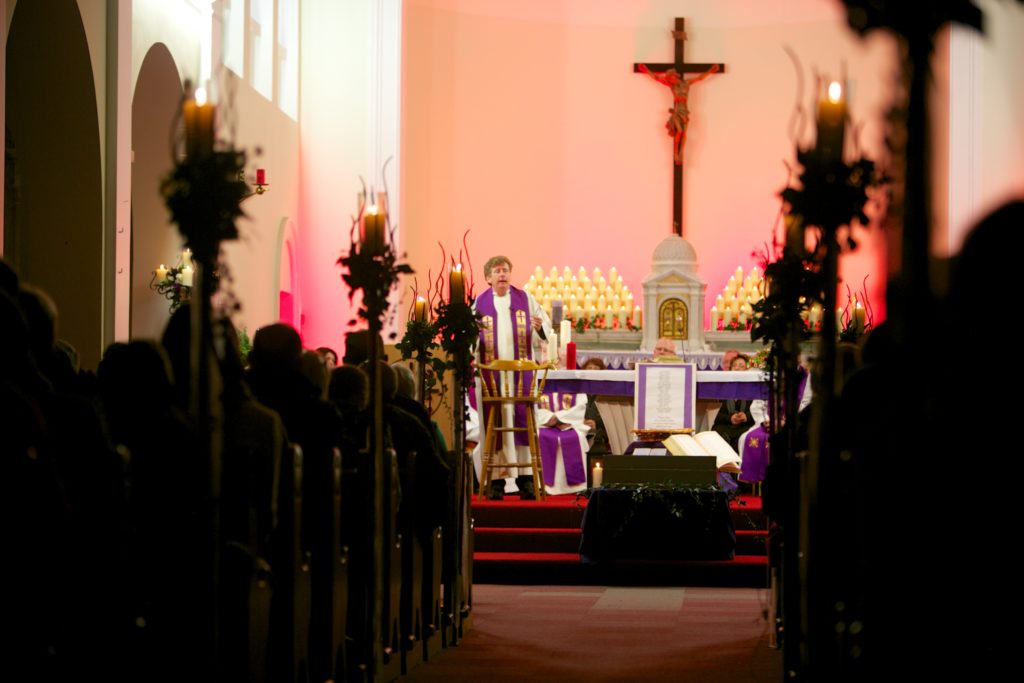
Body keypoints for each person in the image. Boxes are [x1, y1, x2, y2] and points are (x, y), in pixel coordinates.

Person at [472, 255, 552, 500]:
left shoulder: (525, 299)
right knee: (495, 426)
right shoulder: (479, 304)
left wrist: (538, 326)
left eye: (505, 270)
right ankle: (496, 482)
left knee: (521, 422)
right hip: (492, 378)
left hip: (520, 377)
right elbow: (470, 341)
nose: (502, 275)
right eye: (497, 271)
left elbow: (544, 330)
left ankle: (526, 479)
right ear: (488, 278)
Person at [637, 63, 720, 164]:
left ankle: (681, 153)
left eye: (670, 78)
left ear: (674, 76)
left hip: (685, 111)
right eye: (668, 78)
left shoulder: (686, 83)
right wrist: (646, 70)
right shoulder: (672, 86)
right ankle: (676, 154)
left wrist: (710, 71)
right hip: (677, 112)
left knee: (684, 133)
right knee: (679, 132)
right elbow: (656, 78)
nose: (669, 80)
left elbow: (700, 78)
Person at [712, 353, 755, 450]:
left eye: (741, 366)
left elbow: (759, 412)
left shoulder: (753, 389)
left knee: (741, 437)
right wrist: (730, 418)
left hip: (746, 425)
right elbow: (717, 417)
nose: (737, 368)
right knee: (716, 434)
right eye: (734, 365)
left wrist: (746, 417)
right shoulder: (724, 388)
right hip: (727, 425)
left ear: (748, 370)